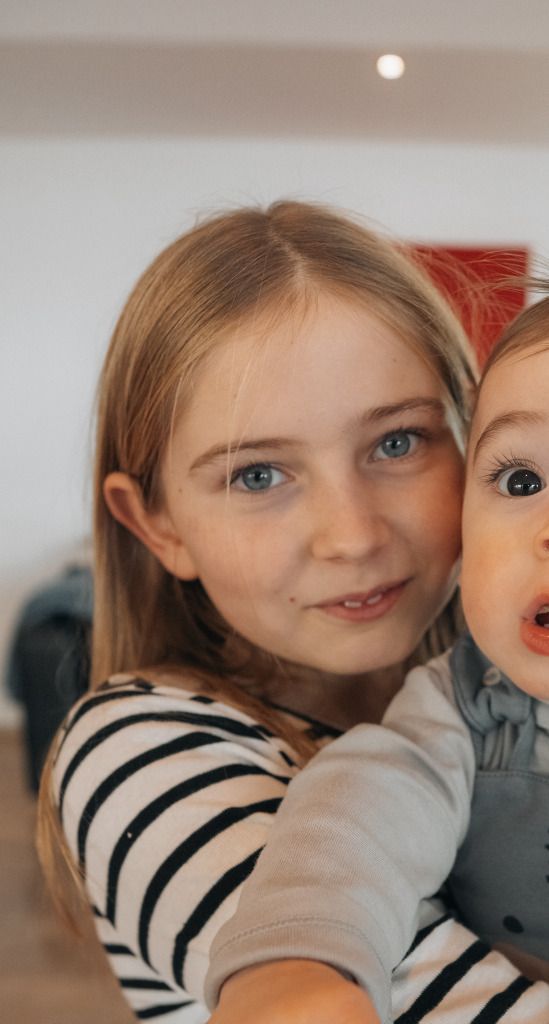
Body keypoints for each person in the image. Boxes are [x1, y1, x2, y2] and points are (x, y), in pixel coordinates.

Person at [36, 200, 547, 1024]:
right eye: (257, 476)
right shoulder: (136, 752)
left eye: (397, 442)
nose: (352, 536)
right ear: (159, 525)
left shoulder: (501, 672)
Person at [205, 290, 549, 1022]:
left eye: (394, 443)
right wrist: (302, 955)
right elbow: (367, 813)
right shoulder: (464, 705)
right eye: (522, 481)